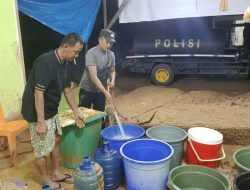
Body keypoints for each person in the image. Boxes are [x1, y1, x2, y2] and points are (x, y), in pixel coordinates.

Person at [21, 33, 85, 190]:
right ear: (66, 47)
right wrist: (41, 121)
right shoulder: (46, 62)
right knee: (41, 149)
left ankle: (56, 173)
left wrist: (76, 111)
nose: (76, 55)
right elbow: (38, 93)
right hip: (37, 112)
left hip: (51, 109)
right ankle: (46, 180)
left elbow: (67, 90)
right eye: (76, 52)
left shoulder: (65, 63)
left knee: (55, 140)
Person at [79, 29, 116, 112]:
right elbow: (93, 77)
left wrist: (112, 81)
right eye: (107, 42)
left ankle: (101, 125)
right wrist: (106, 93)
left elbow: (112, 70)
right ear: (100, 40)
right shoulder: (91, 54)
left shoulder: (111, 55)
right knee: (84, 113)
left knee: (100, 113)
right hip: (87, 89)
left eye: (111, 43)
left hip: (100, 90)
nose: (109, 45)